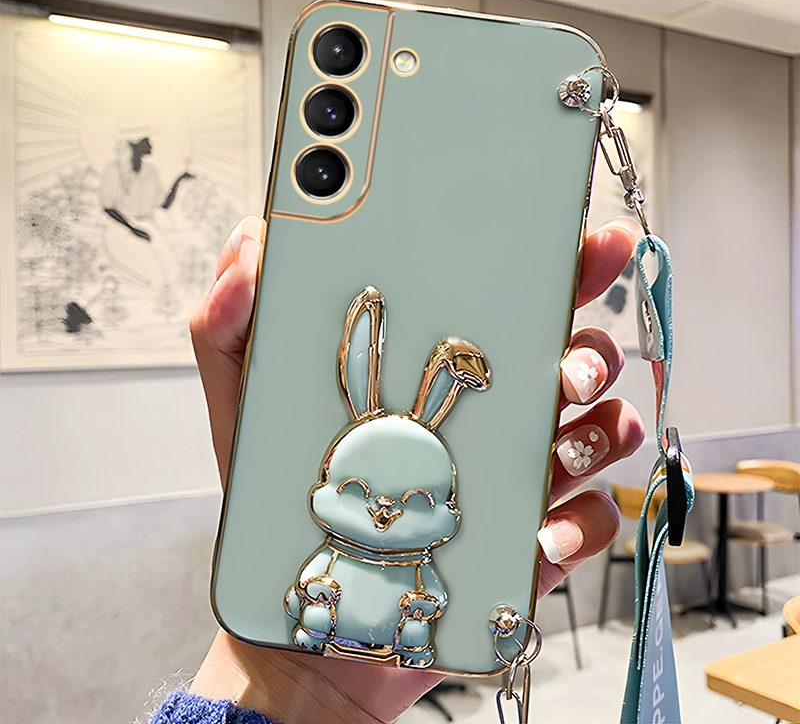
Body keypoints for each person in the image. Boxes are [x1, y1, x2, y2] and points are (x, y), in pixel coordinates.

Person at [153, 215, 645, 724]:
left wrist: (418, 613)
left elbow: (428, 590)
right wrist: (281, 674)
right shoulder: (333, 550)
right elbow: (316, 577)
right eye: (355, 491)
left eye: (415, 502)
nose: (384, 512)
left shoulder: (413, 559)